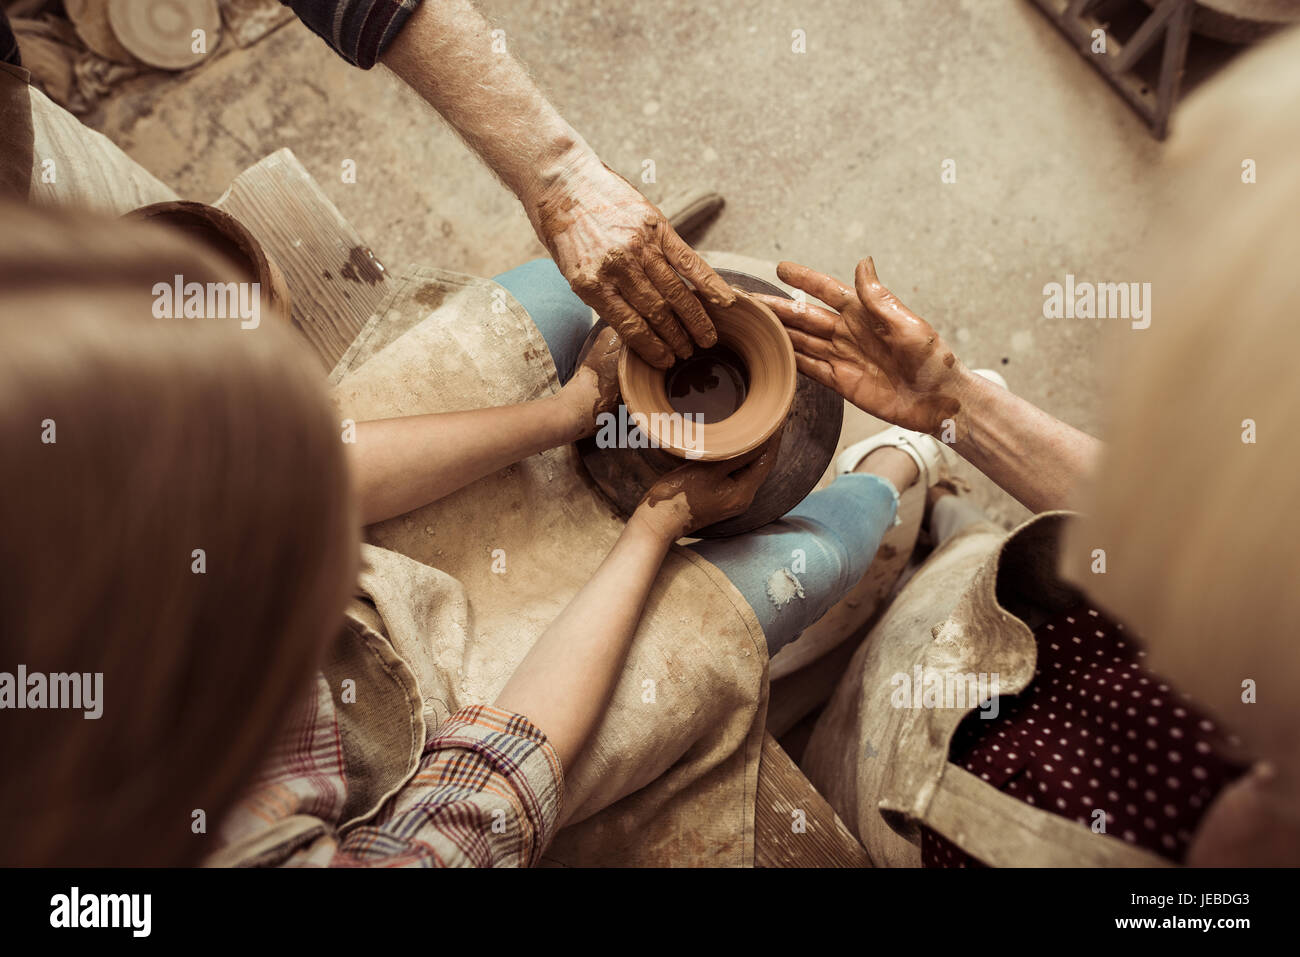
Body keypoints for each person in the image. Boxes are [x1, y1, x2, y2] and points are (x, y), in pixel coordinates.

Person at [756, 26, 1300, 867]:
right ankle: (947, 525)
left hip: (917, 814)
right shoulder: (1253, 573)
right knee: (969, 558)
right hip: (1013, 643)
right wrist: (957, 405)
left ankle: (921, 518)